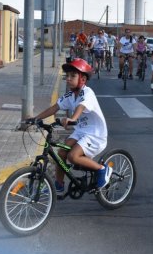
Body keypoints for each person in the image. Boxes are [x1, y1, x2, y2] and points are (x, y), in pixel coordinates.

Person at [29, 59, 112, 193]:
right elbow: (55, 107)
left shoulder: (87, 93)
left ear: (83, 79)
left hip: (95, 135)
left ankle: (103, 169)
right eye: (67, 76)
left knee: (73, 156)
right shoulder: (70, 95)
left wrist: (72, 119)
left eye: (72, 76)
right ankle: (59, 184)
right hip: (81, 132)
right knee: (61, 152)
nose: (68, 79)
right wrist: (35, 118)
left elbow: (81, 106)